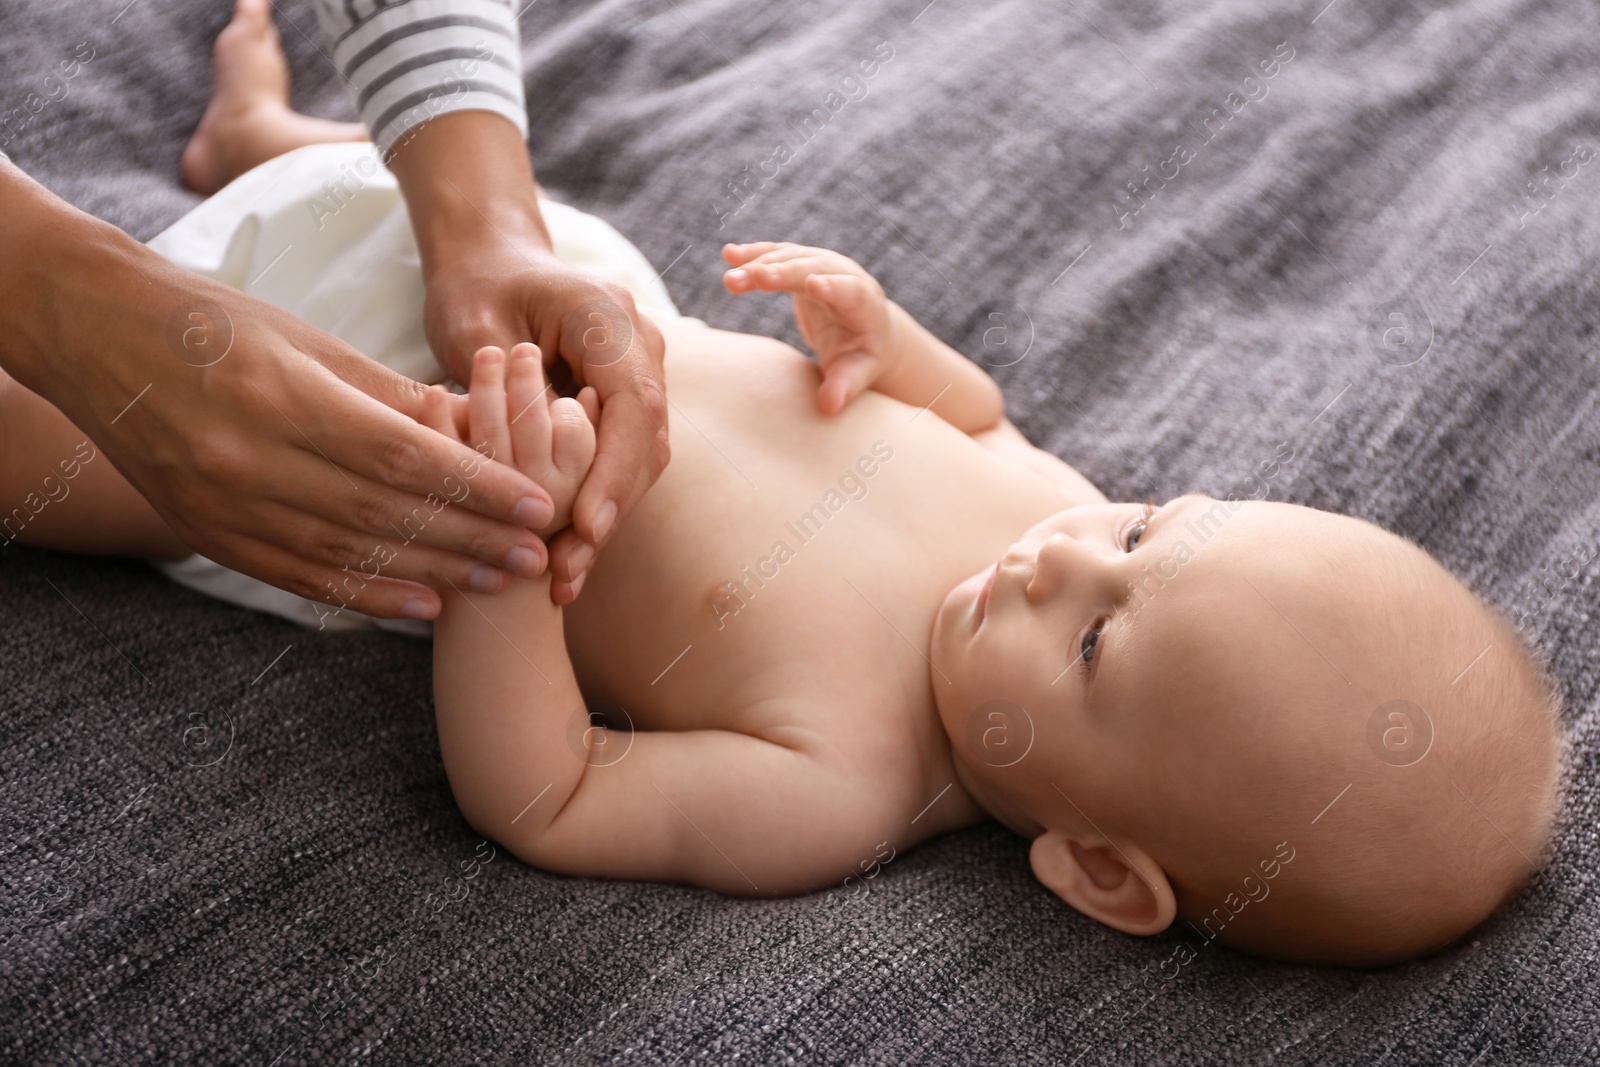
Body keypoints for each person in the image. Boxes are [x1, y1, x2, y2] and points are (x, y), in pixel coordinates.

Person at [1, 5, 1565, 966]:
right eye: (1148, 528)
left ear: (1098, 866)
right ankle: (268, 136)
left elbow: (548, 794)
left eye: (1096, 645)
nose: (1060, 558)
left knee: (63, 469)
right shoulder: (1047, 513)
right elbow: (973, 413)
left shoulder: (841, 783)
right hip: (560, 286)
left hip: (375, 448)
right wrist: (880, 335)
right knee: (518, 206)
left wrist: (501, 554)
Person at [0, 0, 666, 619]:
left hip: (373, 459)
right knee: (371, 196)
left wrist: (517, 541)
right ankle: (256, 138)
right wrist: (48, 290)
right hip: (584, 278)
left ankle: (259, 140)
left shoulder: (774, 727)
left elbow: (539, 752)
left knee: (57, 454)